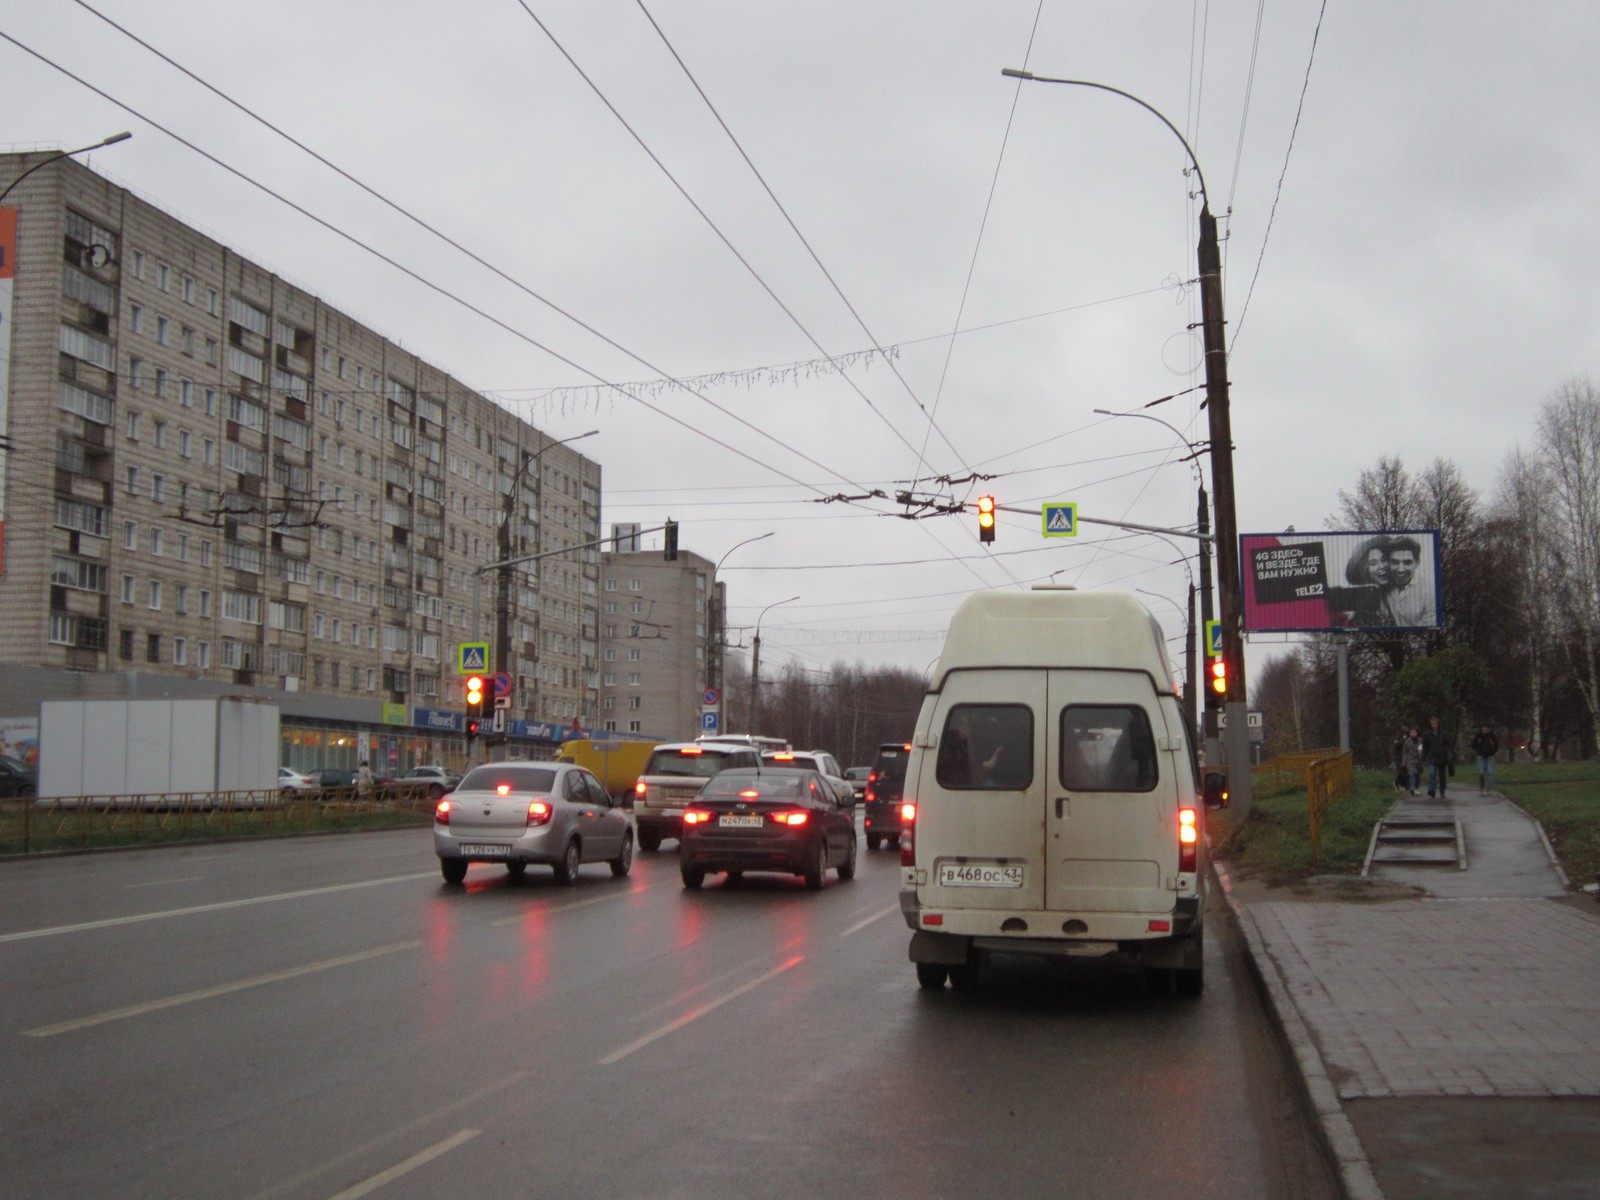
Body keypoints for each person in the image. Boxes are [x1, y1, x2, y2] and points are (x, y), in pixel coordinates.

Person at [1382, 537, 1437, 627]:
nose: (1400, 569)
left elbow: (1430, 630)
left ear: (1417, 563)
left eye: (1407, 563)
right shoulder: (1385, 586)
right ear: (1388, 563)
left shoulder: (1430, 593)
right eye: (1394, 562)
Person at [1342, 537, 1391, 627]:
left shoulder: (1397, 595)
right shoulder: (1360, 610)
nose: (1381, 566)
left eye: (1383, 560)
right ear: (1364, 570)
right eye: (1373, 563)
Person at [1420, 716, 1452, 798]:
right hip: (1432, 757)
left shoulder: (1444, 733)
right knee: (1432, 773)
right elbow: (1425, 746)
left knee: (1442, 775)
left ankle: (1442, 791)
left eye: (1435, 724)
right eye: (1432, 724)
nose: (1434, 725)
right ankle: (1432, 790)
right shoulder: (1427, 734)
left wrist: (1448, 756)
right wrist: (1423, 757)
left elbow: (1448, 745)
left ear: (1438, 724)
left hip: (1442, 757)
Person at [1470, 723, 1500, 794]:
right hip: (1481, 757)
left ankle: (1489, 789)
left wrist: (1492, 751)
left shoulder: (1492, 737)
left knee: (1490, 772)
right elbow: (1473, 744)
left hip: (1490, 757)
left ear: (1489, 730)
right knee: (1481, 772)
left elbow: (1496, 745)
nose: (1485, 731)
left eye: (1486, 730)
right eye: (1483, 730)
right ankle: (1482, 787)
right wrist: (1479, 750)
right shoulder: (1478, 736)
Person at [1399, 726, 1422, 796]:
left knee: (1417, 775)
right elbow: (1404, 753)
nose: (1413, 734)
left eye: (1414, 732)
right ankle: (1412, 787)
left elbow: (1423, 750)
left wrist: (1421, 754)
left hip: (1418, 760)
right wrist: (1404, 763)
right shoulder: (1407, 742)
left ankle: (1417, 788)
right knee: (1411, 773)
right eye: (1411, 732)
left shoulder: (1421, 740)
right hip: (1410, 760)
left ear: (1417, 733)